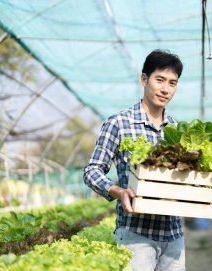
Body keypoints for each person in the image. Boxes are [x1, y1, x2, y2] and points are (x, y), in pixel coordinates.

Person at [83, 49, 185, 271]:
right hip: (136, 236)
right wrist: (118, 191)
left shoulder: (178, 129)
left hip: (175, 236)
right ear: (144, 79)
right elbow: (92, 171)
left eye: (172, 83)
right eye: (160, 80)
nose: (166, 89)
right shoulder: (119, 123)